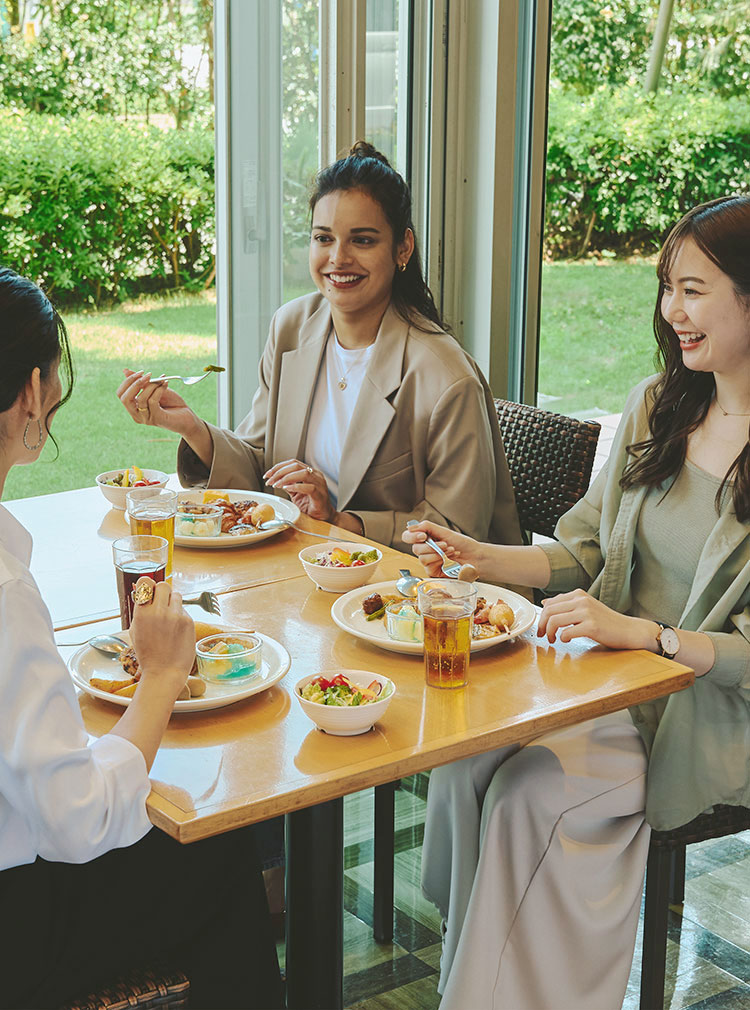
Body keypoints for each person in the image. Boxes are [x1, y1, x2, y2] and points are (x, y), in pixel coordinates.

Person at [402, 195, 750, 1010]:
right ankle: (478, 974)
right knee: (466, 751)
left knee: (534, 796)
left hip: (699, 716)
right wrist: (479, 557)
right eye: (668, 287)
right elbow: (587, 548)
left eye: (694, 289)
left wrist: (648, 637)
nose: (672, 310)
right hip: (601, 684)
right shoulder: (660, 404)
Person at [0, 268, 283, 1010]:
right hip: (18, 936)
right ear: (32, 391)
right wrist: (162, 676)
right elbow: (77, 820)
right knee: (214, 850)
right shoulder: (3, 590)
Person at [116, 141, 522, 552]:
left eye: (362, 240)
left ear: (403, 248)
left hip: (415, 594)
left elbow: (459, 534)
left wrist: (342, 521)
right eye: (323, 238)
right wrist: (190, 426)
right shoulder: (291, 327)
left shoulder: (446, 377)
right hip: (306, 567)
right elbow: (261, 466)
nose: (338, 258)